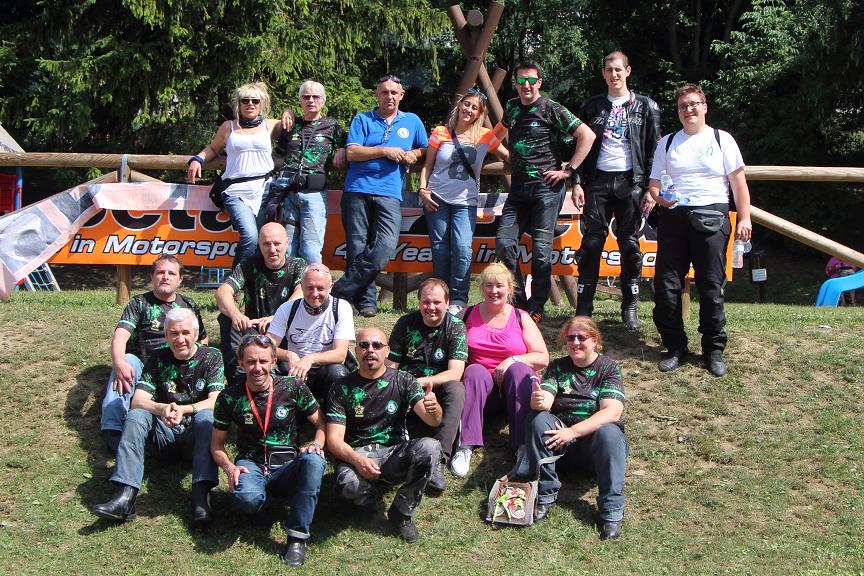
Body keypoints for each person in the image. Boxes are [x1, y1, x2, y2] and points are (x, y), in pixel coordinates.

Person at [645, 83, 752, 377]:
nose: (688, 110)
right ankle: (675, 347)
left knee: (711, 287)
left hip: (712, 216)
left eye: (693, 104)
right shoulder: (667, 143)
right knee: (666, 287)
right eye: (683, 106)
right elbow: (654, 186)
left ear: (704, 107)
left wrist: (745, 219)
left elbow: (739, 184)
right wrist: (659, 198)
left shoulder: (722, 139)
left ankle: (713, 350)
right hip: (673, 219)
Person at [92, 308, 224, 525]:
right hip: (164, 432)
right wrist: (162, 409)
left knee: (207, 418)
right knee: (136, 415)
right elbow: (138, 400)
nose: (180, 339)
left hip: (195, 436)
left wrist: (184, 410)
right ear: (166, 336)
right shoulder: (157, 357)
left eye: (185, 333)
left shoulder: (212, 356)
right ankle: (126, 496)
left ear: (195, 333)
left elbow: (216, 400)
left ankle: (201, 495)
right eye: (174, 333)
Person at [493, 60, 595, 324]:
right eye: (521, 80)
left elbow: (587, 135)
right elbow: (495, 136)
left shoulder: (552, 108)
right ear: (515, 83)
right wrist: (494, 151)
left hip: (547, 189)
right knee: (504, 242)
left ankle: (537, 306)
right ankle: (518, 303)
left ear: (539, 82)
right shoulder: (511, 107)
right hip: (518, 189)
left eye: (531, 80)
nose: (526, 85)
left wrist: (569, 170)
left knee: (540, 250)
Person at [211, 334, 326, 568]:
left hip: (287, 465)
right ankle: (263, 502)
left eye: (263, 361)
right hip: (251, 464)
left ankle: (297, 538)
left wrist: (317, 443)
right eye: (251, 362)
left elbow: (322, 423)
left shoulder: (293, 387)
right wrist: (229, 467)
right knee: (247, 500)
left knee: (314, 461)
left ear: (273, 362)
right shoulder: (228, 398)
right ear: (241, 363)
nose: (257, 368)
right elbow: (217, 445)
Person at [326, 327, 443, 543]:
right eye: (364, 345)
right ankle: (370, 500)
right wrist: (357, 460)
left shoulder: (403, 380)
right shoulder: (340, 388)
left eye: (377, 345)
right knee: (346, 484)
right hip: (357, 455)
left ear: (387, 351)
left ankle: (402, 511)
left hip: (393, 454)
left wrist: (434, 408)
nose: (370, 350)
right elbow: (333, 440)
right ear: (356, 351)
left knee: (431, 447)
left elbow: (432, 420)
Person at [574, 51, 661, 330]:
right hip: (597, 181)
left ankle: (630, 307)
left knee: (630, 246)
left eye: (618, 69)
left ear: (628, 71)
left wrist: (650, 188)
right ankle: (584, 309)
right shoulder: (591, 106)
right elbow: (578, 145)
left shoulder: (646, 106)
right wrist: (576, 181)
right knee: (591, 245)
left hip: (631, 182)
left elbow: (654, 149)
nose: (614, 74)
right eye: (609, 70)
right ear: (603, 73)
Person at [331, 75, 428, 318]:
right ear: (377, 94)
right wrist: (385, 150)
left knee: (385, 246)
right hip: (357, 190)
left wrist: (415, 154)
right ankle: (366, 303)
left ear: (401, 95)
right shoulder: (362, 119)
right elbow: (352, 152)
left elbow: (425, 148)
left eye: (394, 92)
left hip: (390, 193)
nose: (389, 96)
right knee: (357, 247)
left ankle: (340, 291)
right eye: (384, 92)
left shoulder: (412, 121)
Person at [522, 316, 627, 539]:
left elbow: (612, 412)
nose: (575, 342)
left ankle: (611, 512)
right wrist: (539, 400)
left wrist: (572, 432)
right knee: (537, 419)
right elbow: (546, 400)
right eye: (570, 338)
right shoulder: (558, 366)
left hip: (594, 448)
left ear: (595, 340)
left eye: (582, 337)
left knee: (610, 431)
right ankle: (545, 494)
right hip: (559, 447)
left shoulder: (608, 368)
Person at [101, 254, 208, 454]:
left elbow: (202, 339)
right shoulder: (139, 303)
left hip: (180, 365)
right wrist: (118, 361)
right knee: (126, 361)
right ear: (152, 276)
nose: (165, 277)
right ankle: (113, 429)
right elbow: (120, 336)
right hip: (145, 365)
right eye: (160, 272)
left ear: (180, 279)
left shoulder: (190, 305)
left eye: (171, 273)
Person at [451, 263, 549, 478]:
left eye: (499, 285)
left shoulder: (521, 317)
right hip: (481, 391)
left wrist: (512, 360)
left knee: (520, 369)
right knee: (474, 370)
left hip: (514, 390)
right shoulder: (466, 314)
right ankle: (465, 445)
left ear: (510, 289)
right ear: (481, 288)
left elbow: (543, 358)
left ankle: (523, 446)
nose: (494, 291)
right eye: (488, 285)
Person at [418, 89, 509, 314]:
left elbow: (507, 156)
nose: (469, 110)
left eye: (474, 108)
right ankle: (440, 298)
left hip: (466, 201)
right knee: (440, 249)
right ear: (459, 106)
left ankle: (458, 299)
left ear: (479, 114)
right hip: (436, 197)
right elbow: (427, 165)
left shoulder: (485, 136)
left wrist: (535, 162)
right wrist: (422, 189)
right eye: (466, 104)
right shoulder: (440, 131)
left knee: (462, 248)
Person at [187, 82, 283, 266]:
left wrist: (289, 112)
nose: (250, 104)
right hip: (235, 190)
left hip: (264, 188)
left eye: (255, 100)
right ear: (238, 104)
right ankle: (235, 280)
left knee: (263, 240)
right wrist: (198, 159)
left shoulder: (269, 125)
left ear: (262, 103)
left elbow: (291, 125)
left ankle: (256, 281)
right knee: (250, 236)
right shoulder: (228, 127)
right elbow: (213, 148)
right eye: (245, 100)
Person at [386, 278, 467, 492]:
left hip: (438, 387)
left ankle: (439, 460)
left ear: (447, 303)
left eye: (437, 302)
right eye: (426, 302)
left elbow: (456, 372)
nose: (431, 307)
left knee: (457, 389)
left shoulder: (456, 326)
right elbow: (391, 366)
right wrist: (404, 385)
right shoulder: (405, 323)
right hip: (406, 385)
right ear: (419, 301)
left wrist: (420, 382)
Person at [215, 222, 305, 385]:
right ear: (259, 245)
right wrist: (236, 314)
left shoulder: (297, 265)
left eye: (277, 243)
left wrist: (277, 317)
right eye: (266, 244)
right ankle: (238, 380)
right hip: (253, 330)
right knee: (227, 318)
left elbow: (302, 292)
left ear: (287, 243)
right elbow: (223, 291)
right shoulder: (249, 264)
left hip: (285, 332)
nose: (272, 249)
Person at [270, 81, 347, 263]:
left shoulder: (332, 125)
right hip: (288, 192)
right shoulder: (291, 125)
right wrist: (287, 111)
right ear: (300, 100)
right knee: (288, 249)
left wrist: (342, 149)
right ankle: (291, 282)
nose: (311, 100)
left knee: (311, 249)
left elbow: (350, 143)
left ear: (323, 101)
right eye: (306, 97)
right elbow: (278, 153)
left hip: (314, 194)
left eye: (315, 97)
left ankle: (314, 281)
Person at [266, 263, 354, 400]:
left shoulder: (341, 308)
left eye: (320, 288)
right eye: (310, 288)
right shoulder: (287, 309)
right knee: (267, 368)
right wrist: (289, 355)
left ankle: (332, 411)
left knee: (338, 373)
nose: (315, 293)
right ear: (301, 286)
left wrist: (310, 359)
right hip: (293, 370)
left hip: (324, 370)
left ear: (330, 287)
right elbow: (266, 347)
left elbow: (340, 354)